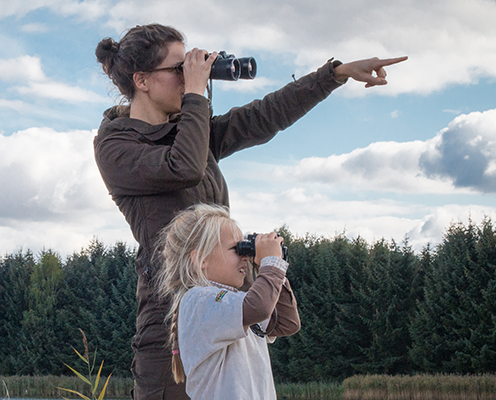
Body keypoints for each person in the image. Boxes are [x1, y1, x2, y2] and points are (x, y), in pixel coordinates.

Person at [93, 23, 406, 399]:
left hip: (226, 304)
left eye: (190, 68)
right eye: (179, 69)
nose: (191, 76)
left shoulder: (192, 130)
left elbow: (265, 116)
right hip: (170, 319)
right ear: (141, 80)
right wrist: (195, 94)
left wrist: (333, 75)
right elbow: (184, 166)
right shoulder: (117, 147)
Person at [157, 204, 298, 399]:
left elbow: (286, 324)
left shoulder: (234, 302)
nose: (245, 258)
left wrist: (275, 272)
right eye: (236, 249)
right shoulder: (199, 300)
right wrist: (271, 264)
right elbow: (259, 307)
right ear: (201, 260)